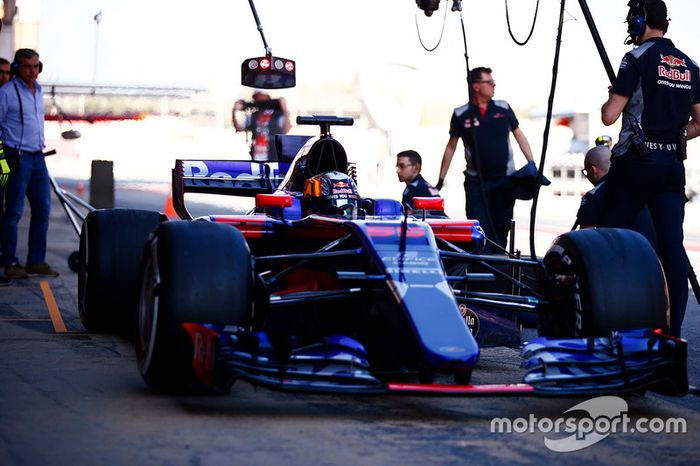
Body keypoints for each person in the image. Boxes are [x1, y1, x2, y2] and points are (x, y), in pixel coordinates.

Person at [600, 0, 700, 337]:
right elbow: (699, 123)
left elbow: (609, 116)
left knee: (605, 237)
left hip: (636, 164)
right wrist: (673, 134)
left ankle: (605, 323)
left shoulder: (636, 58)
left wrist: (613, 96)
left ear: (639, 22)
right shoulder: (689, 65)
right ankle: (672, 335)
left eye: (632, 20)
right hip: (672, 165)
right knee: (672, 248)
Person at [436, 66, 535, 252]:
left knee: (501, 226)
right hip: (476, 182)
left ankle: (500, 266)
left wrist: (532, 164)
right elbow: (451, 146)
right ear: (476, 86)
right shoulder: (460, 113)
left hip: (504, 180)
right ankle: (482, 267)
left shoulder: (503, 108)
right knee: (479, 227)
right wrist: (441, 179)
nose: (493, 85)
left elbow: (519, 135)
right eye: (489, 82)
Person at [0, 48, 59, 278]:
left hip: (38, 157)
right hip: (18, 157)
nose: (33, 71)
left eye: (36, 66)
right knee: (13, 211)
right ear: (17, 68)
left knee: (42, 209)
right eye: (27, 66)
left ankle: (36, 261)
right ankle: (10, 262)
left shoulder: (39, 91)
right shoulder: (6, 93)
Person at [575, 144, 657, 247]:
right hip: (650, 254)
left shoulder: (593, 196)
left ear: (593, 170)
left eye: (586, 171)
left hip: (620, 257)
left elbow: (585, 239)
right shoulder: (637, 185)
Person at [232, 89, 291, 162]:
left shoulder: (278, 114)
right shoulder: (254, 115)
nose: (258, 99)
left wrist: (285, 109)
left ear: (267, 97)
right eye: (256, 97)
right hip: (257, 157)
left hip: (274, 156)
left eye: (261, 96)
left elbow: (286, 129)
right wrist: (234, 111)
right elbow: (239, 128)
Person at [395, 149, 445, 217]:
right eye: (397, 166)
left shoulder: (413, 189)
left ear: (416, 168)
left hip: (431, 225)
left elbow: (407, 216)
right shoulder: (423, 185)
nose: (398, 171)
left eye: (402, 166)